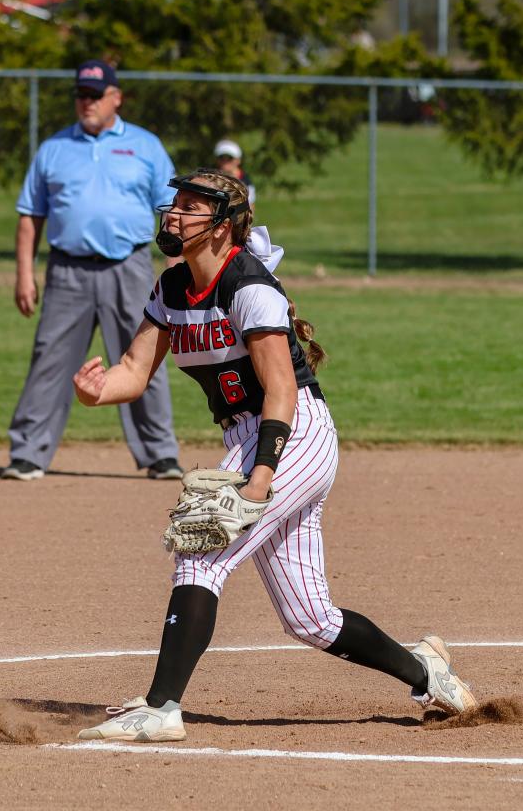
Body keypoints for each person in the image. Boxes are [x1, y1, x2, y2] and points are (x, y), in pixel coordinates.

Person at [72, 169, 477, 741]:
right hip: (249, 437)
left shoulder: (248, 286)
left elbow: (282, 389)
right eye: (177, 204)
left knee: (202, 553)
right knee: (309, 617)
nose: (176, 214)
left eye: (192, 207)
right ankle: (425, 670)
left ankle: (161, 708)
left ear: (222, 227)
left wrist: (260, 476)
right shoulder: (171, 287)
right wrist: (97, 390)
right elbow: (135, 372)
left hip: (292, 433)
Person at [1, 59, 183, 482]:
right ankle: (28, 453)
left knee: (145, 359)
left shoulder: (145, 145)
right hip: (68, 269)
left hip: (131, 265)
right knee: (49, 359)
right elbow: (31, 215)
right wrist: (24, 274)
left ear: (115, 98)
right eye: (81, 94)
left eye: (95, 95)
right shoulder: (54, 149)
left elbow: (173, 213)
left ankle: (160, 453)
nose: (86, 102)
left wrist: (175, 273)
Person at [213, 139, 256, 206]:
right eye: (222, 157)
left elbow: (249, 209)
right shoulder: (211, 179)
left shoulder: (246, 183)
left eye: (230, 158)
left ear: (238, 160)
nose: (225, 161)